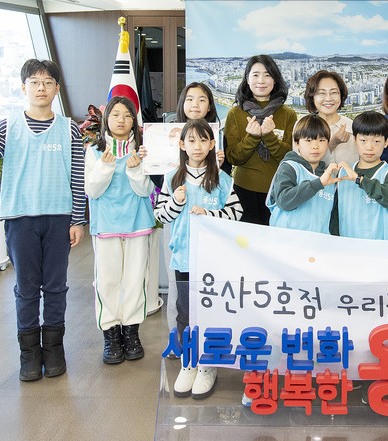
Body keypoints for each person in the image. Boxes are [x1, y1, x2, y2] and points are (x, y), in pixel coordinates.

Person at [0, 59, 86, 381]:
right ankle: (29, 354)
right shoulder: (7, 127)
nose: (41, 88)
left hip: (59, 218)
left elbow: (77, 178)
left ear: (57, 89)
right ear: (24, 88)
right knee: (27, 288)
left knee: (56, 286)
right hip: (20, 220)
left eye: (47, 82)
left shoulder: (69, 129)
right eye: (34, 82)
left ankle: (54, 349)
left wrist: (77, 220)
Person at [154, 119, 243, 399]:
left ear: (212, 144)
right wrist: (176, 202)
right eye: (191, 140)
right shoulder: (172, 178)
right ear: (182, 145)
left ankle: (208, 366)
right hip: (184, 258)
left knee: (210, 312)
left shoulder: (223, 180)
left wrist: (210, 214)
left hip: (213, 260)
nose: (197, 146)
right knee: (185, 313)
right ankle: (189, 362)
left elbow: (236, 214)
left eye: (204, 140)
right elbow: (160, 216)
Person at [85, 96, 154, 365]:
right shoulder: (94, 151)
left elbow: (147, 191)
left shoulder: (144, 151)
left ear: (134, 120)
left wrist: (136, 170)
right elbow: (92, 191)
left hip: (138, 223)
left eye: (127, 115)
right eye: (115, 114)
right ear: (106, 119)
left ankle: (132, 333)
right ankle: (111, 335)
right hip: (106, 226)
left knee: (136, 280)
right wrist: (105, 166)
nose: (121, 120)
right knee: (107, 281)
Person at [224, 55, 297, 225]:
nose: (261, 81)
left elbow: (290, 158)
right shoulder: (235, 113)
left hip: (279, 191)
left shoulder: (288, 115)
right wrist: (252, 138)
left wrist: (269, 136)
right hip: (243, 191)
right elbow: (233, 158)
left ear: (275, 80)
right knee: (245, 239)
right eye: (255, 75)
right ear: (247, 79)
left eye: (267, 75)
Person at [266, 114, 342, 234]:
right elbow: (284, 201)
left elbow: (333, 217)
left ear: (328, 143)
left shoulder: (330, 176)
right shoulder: (290, 167)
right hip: (286, 240)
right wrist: (318, 183)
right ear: (296, 143)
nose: (315, 146)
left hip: (318, 242)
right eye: (308, 140)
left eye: (321, 140)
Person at [331, 111, 388, 240]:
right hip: (348, 244)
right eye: (363, 140)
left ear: (386, 142)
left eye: (377, 141)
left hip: (379, 246)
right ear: (354, 140)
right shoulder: (343, 172)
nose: (369, 147)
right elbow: (335, 212)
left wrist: (360, 180)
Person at [302, 70, 357, 165]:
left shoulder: (352, 127)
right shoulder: (303, 127)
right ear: (312, 97)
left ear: (341, 95)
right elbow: (301, 167)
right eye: (321, 93)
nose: (328, 99)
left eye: (334, 92)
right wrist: (332, 143)